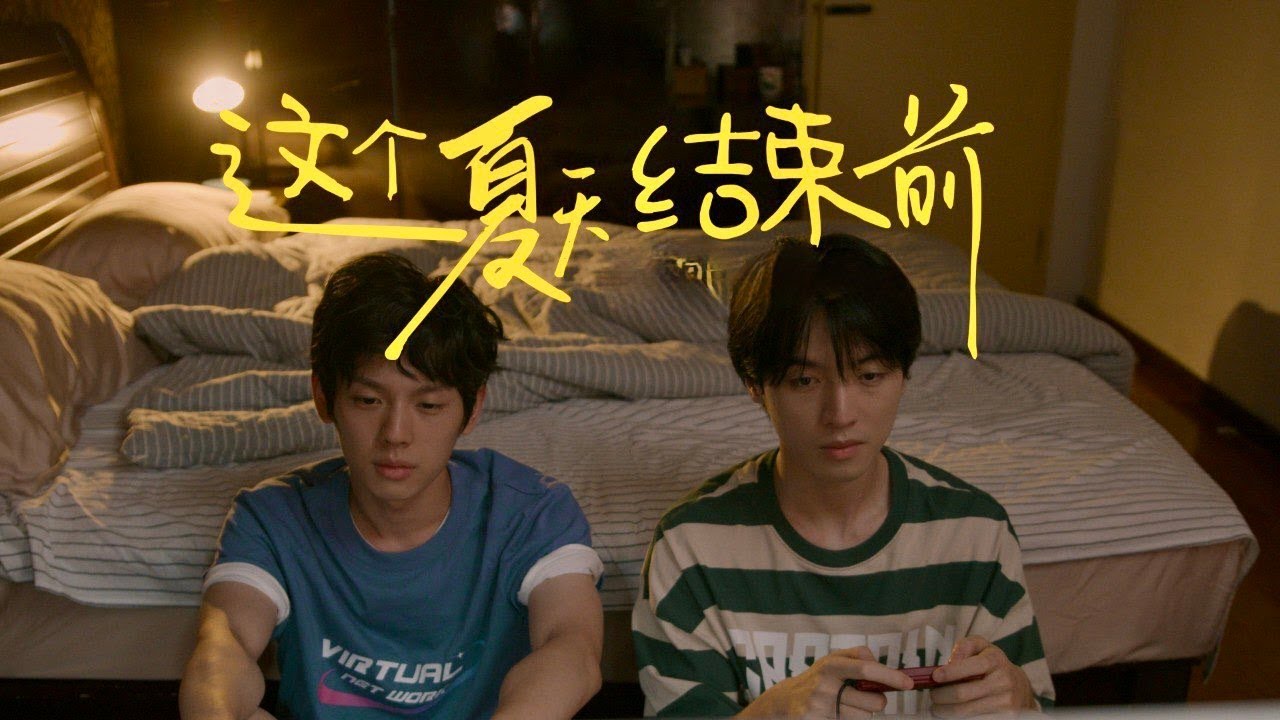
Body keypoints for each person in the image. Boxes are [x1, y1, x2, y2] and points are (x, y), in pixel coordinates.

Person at [632, 235, 1054, 718]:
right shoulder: (690, 546)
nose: (840, 414)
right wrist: (773, 714)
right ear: (755, 383)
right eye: (805, 381)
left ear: (904, 374)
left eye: (869, 376)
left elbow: (1032, 705)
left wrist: (1022, 700)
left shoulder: (978, 533)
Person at [181, 253, 604, 720]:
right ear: (323, 396)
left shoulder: (532, 512)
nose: (395, 434)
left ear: (473, 408)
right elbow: (225, 648)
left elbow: (572, 647)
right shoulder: (272, 517)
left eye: (429, 406)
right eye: (368, 400)